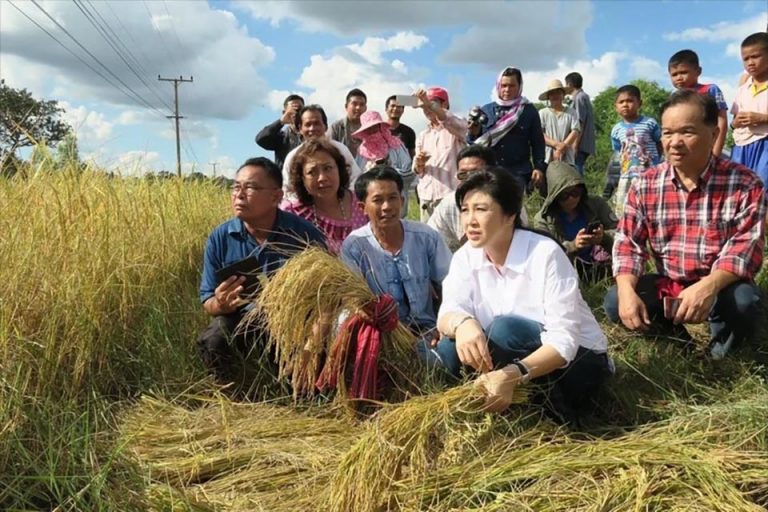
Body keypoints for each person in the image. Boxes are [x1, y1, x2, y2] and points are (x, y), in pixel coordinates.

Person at [431, 167, 610, 421]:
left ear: (510, 215)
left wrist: (512, 374)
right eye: (465, 210)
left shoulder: (545, 254)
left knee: (504, 330)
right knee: (448, 349)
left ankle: (555, 416)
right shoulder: (465, 257)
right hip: (517, 359)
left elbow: (564, 342)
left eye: (481, 209)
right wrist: (462, 323)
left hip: (579, 362)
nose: (470, 220)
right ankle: (500, 408)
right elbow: (448, 310)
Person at [604, 91, 766, 360]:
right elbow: (628, 244)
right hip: (671, 282)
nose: (675, 142)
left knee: (744, 302)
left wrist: (707, 287)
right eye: (668, 133)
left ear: (714, 134)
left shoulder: (745, 184)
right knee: (616, 300)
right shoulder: (645, 184)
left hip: (721, 284)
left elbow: (745, 249)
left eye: (687, 132)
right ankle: (679, 344)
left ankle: (720, 356)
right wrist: (625, 289)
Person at [197, 157, 326, 386]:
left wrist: (311, 346)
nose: (239, 194)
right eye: (236, 187)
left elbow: (327, 298)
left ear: (276, 196)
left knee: (300, 385)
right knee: (214, 338)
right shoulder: (220, 237)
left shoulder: (304, 235)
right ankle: (231, 390)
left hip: (292, 322)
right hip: (243, 320)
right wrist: (221, 304)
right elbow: (208, 300)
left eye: (250, 187)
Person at [341, 166, 452, 359]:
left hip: (428, 331)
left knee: (449, 354)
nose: (387, 206)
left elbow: (451, 284)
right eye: (378, 200)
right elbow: (352, 301)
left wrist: (443, 324)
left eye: (392, 198)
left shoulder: (426, 237)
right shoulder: (354, 246)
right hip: (382, 337)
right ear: (362, 207)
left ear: (402, 201)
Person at [428, 144, 528, 252]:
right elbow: (431, 241)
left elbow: (521, 242)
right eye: (463, 175)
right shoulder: (448, 204)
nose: (469, 179)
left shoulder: (508, 201)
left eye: (475, 173)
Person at [533, 161, 617, 282]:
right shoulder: (543, 219)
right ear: (554, 197)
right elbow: (545, 257)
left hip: (603, 269)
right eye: (564, 196)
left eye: (575, 193)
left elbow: (622, 235)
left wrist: (603, 238)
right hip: (565, 276)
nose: (571, 199)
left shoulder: (596, 204)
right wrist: (573, 246)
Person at [283, 138, 368, 255]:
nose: (322, 178)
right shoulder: (291, 214)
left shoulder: (363, 202)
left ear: (339, 169)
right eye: (312, 172)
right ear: (302, 178)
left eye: (328, 168)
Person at [468, 67, 546, 192]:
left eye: (512, 85)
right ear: (498, 86)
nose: (507, 90)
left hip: (519, 173)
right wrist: (473, 133)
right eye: (504, 85)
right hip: (490, 173)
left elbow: (538, 143)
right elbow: (475, 144)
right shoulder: (486, 111)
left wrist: (539, 167)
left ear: (519, 86)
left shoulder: (528, 111)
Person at [413, 87, 468, 222]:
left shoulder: (456, 128)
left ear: (445, 104)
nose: (426, 108)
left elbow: (449, 120)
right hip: (427, 198)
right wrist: (419, 163)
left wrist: (428, 103)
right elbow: (416, 170)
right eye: (423, 106)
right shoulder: (423, 135)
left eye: (431, 103)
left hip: (450, 196)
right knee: (427, 235)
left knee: (453, 235)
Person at [282, 104, 362, 196]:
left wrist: (344, 199)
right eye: (308, 124)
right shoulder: (293, 156)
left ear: (325, 126)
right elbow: (288, 189)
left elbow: (355, 178)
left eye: (316, 123)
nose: (312, 128)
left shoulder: (340, 150)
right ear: (300, 128)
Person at [610, 85, 663, 216]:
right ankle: (624, 224)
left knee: (651, 204)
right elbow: (618, 151)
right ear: (616, 106)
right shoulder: (616, 130)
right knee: (624, 205)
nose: (625, 105)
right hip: (626, 175)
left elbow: (660, 143)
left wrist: (656, 163)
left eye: (630, 101)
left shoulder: (650, 123)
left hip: (649, 173)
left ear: (639, 103)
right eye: (621, 102)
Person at [352, 110, 415, 217]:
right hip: (373, 202)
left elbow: (409, 172)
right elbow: (357, 178)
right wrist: (370, 171)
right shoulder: (362, 151)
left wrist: (389, 169)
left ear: (380, 126)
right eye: (368, 129)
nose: (372, 131)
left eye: (375, 127)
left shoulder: (396, 145)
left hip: (395, 199)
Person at [668, 49, 728, 157]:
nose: (679, 78)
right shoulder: (674, 98)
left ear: (698, 71)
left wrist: (716, 152)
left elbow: (722, 121)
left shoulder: (711, 90)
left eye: (684, 72)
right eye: (674, 74)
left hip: (708, 147)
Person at [731, 32, 768, 190]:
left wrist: (762, 118)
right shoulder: (743, 87)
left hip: (765, 142)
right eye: (745, 59)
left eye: (755, 57)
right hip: (741, 145)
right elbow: (733, 122)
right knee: (739, 189)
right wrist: (735, 123)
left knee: (762, 188)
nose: (750, 63)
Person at [255, 94, 304, 169]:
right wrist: (281, 121)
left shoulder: (312, 135)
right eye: (292, 109)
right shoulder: (281, 137)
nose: (297, 113)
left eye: (300, 110)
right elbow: (260, 139)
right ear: (284, 113)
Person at [538, 79, 581, 165]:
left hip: (567, 158)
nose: (555, 96)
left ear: (563, 95)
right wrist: (556, 145)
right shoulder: (543, 113)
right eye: (552, 93)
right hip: (547, 158)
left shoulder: (571, 112)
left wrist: (562, 147)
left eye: (558, 92)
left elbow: (575, 131)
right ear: (548, 97)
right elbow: (540, 133)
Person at [565, 72, 596, 175]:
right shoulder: (583, 96)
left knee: (577, 169)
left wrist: (575, 144)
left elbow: (579, 122)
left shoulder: (579, 98)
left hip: (581, 143)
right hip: (586, 142)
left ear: (569, 84)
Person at [330, 88, 367, 157]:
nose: (358, 108)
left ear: (365, 108)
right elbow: (329, 152)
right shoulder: (336, 127)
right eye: (354, 104)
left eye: (362, 104)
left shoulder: (371, 129)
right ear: (346, 106)